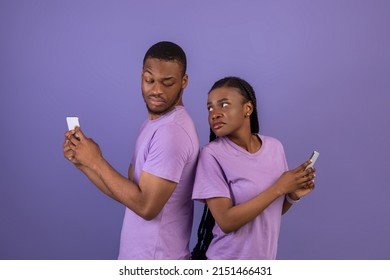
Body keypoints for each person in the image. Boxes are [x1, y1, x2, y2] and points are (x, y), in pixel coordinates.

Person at [63, 41, 200, 259]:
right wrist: (84, 163)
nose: (156, 90)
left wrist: (96, 161)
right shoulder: (152, 125)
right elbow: (128, 195)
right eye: (149, 80)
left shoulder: (172, 133)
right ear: (141, 77)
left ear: (184, 82)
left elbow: (146, 207)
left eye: (167, 83)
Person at [191, 76, 315, 260]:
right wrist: (280, 187)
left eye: (223, 105)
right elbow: (225, 221)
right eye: (210, 108)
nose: (214, 113)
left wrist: (292, 196)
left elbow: (267, 213)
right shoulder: (211, 155)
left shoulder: (275, 147)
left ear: (247, 108)